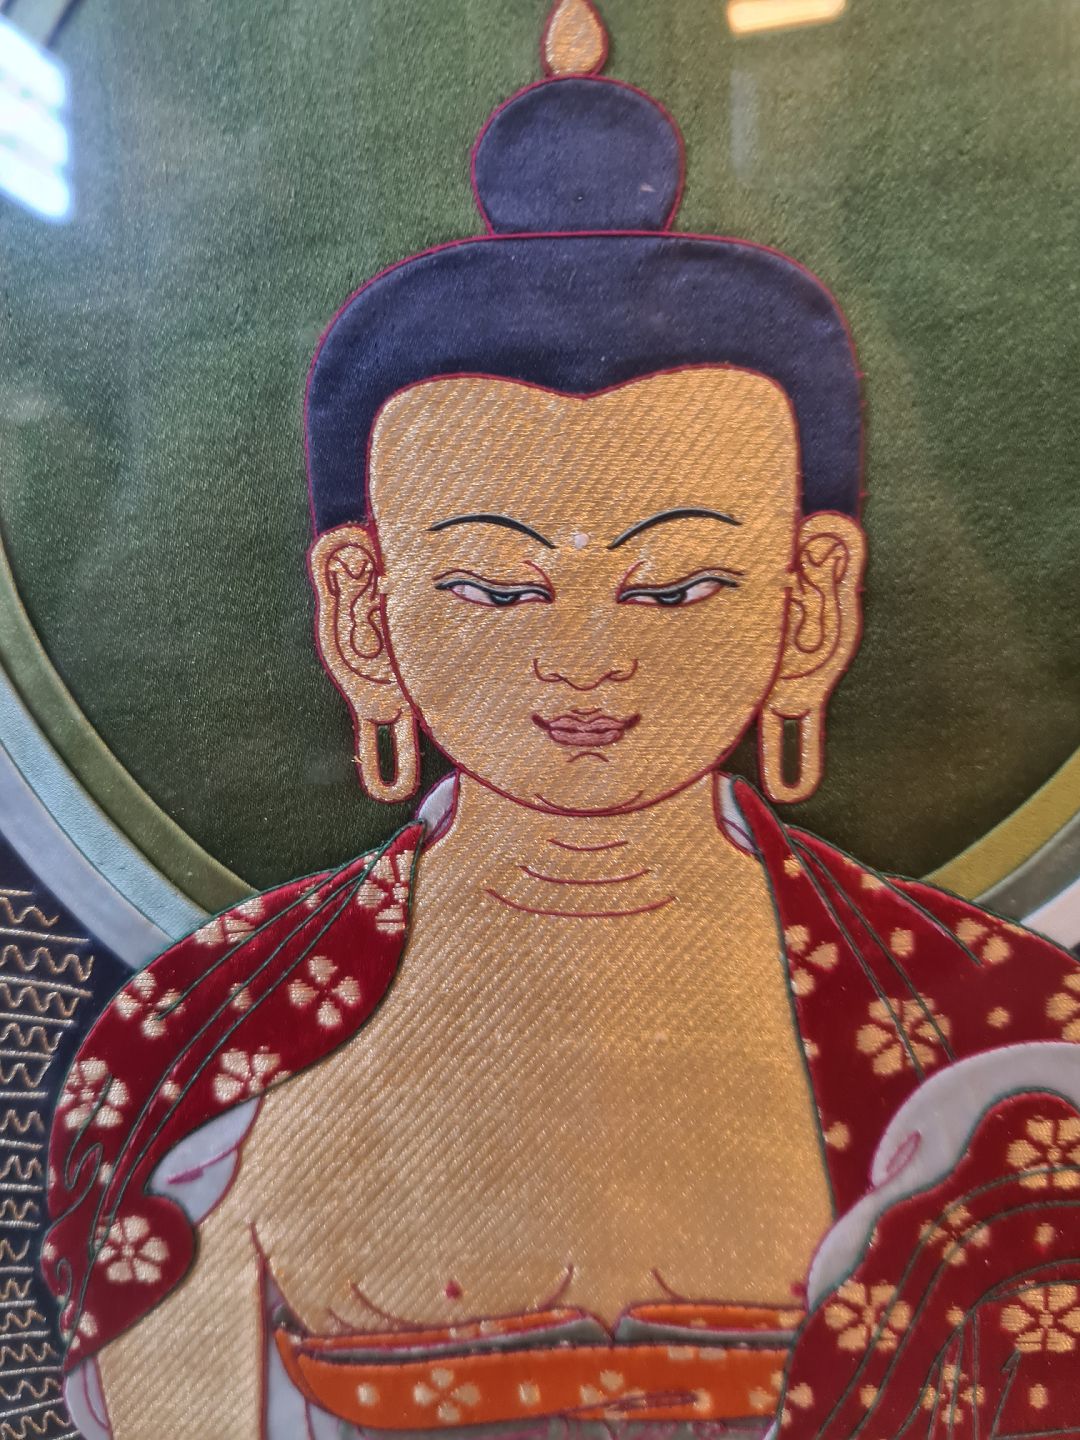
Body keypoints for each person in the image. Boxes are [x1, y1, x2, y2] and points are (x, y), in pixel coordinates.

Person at [44, 3, 1080, 1436]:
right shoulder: (206, 1048)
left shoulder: (987, 1028)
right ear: (362, 614)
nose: (587, 664)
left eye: (680, 585)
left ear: (812, 603)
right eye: (492, 586)